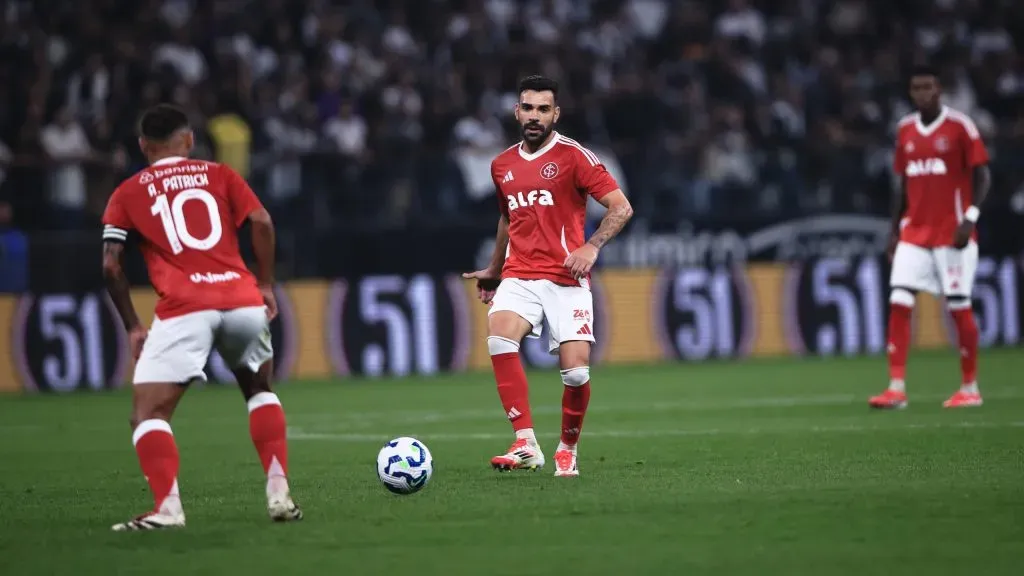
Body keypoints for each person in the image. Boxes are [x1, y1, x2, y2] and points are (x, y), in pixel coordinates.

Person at [101, 104, 301, 530]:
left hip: (184, 307)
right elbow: (262, 220)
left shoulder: (128, 191)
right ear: (189, 140)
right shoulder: (221, 174)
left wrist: (134, 326)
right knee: (259, 388)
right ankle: (279, 494)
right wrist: (264, 284)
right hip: (242, 299)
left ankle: (168, 510)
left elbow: (111, 266)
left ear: (143, 147)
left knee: (148, 415)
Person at [463, 76, 634, 477]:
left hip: (565, 279)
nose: (535, 116)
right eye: (528, 108)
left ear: (556, 114)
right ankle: (525, 443)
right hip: (520, 275)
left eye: (544, 109)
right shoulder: (501, 165)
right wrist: (494, 267)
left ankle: (567, 449)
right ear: (516, 112)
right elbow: (508, 217)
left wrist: (591, 246)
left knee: (575, 373)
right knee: (499, 338)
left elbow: (621, 207)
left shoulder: (574, 156)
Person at [869, 65, 991, 410]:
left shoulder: (959, 127)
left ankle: (970, 387)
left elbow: (983, 175)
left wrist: (969, 217)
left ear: (939, 90)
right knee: (899, 300)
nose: (922, 93)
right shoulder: (905, 130)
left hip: (952, 233)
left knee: (958, 305)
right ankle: (895, 388)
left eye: (928, 87)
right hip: (914, 232)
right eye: (916, 87)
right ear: (910, 92)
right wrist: (894, 230)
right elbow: (903, 185)